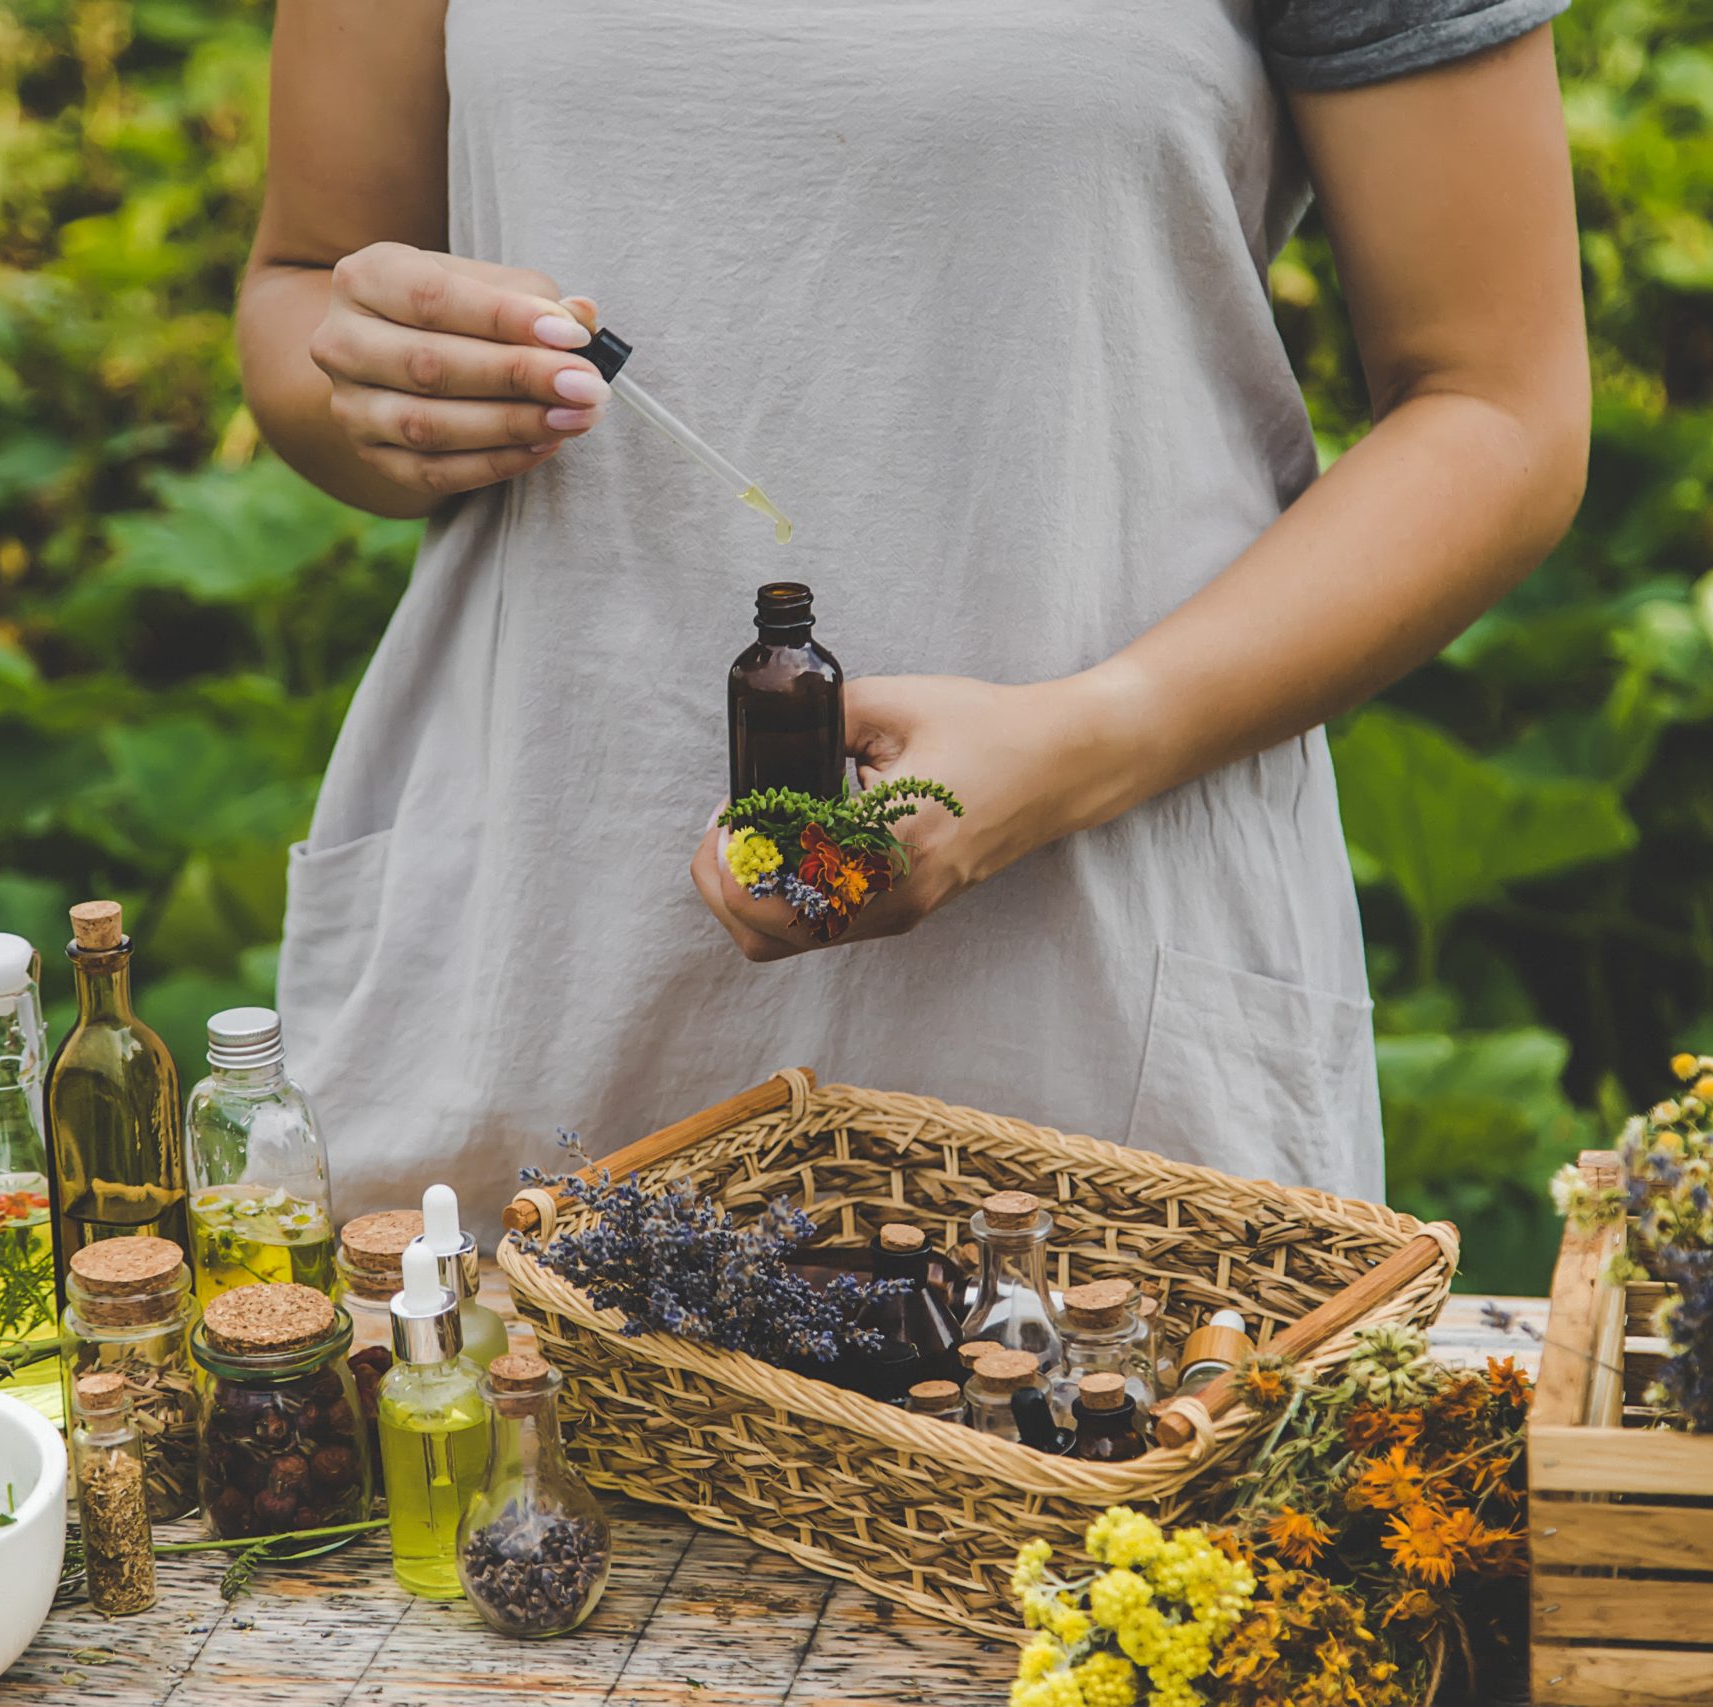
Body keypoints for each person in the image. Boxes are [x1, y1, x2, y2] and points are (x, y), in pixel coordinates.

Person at [238, 0, 1590, 1232]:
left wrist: (1085, 742)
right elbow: (305, 284)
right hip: (527, 991)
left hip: (1089, 1040)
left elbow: (1499, 408)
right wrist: (393, 383)